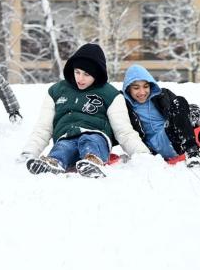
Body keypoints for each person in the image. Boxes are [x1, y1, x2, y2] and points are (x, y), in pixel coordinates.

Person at [20, 44, 152, 178]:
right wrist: (29, 152)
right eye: (77, 72)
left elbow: (124, 131)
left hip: (96, 136)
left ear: (97, 74)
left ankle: (92, 161)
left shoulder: (110, 95)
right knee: (63, 147)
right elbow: (43, 128)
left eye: (86, 74)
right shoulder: (56, 91)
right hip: (66, 136)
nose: (80, 79)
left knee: (90, 141)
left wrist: (142, 154)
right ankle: (54, 162)